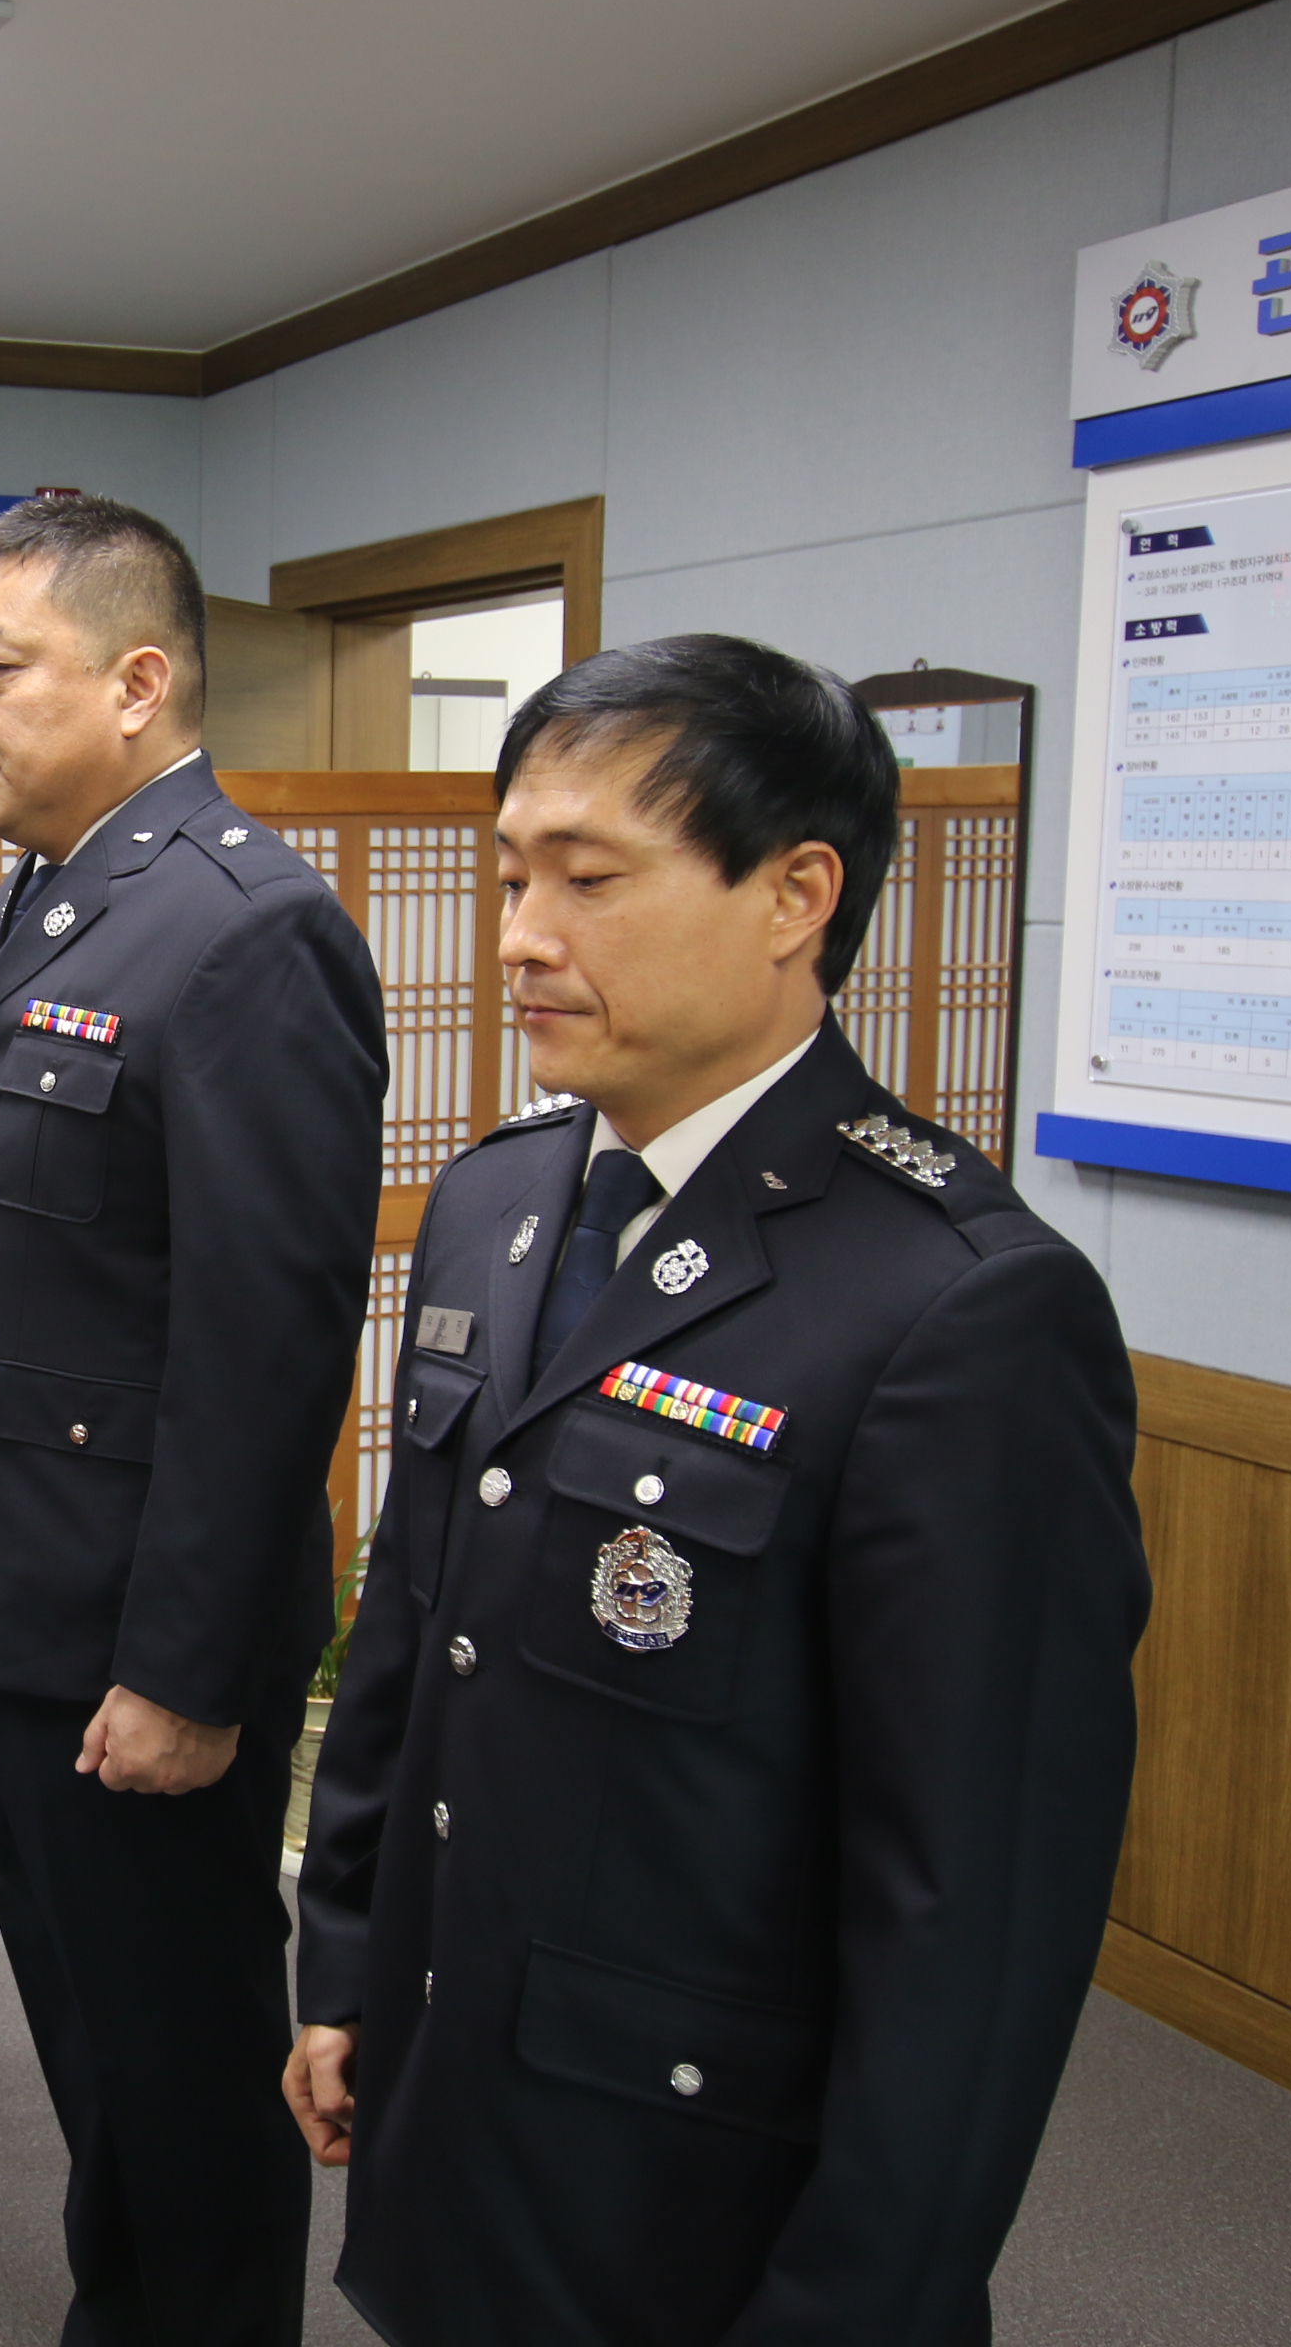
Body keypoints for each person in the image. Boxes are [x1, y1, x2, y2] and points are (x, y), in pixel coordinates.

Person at [284, 635, 1149, 2347]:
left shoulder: (953, 1304)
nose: (520, 934)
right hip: (458, 2083)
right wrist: (350, 1957)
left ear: (794, 896)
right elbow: (416, 1631)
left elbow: (972, 1913)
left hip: (695, 2184)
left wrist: (854, 2305)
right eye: (511, 877)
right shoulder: (497, 1204)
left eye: (589, 879)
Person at [0, 496, 387, 2346]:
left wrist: (182, 1672)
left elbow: (266, 1349)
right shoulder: (56, 888)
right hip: (17, 1602)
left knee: (180, 2067)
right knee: (94, 2050)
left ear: (138, 683)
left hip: (129, 1640)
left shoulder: (245, 930)